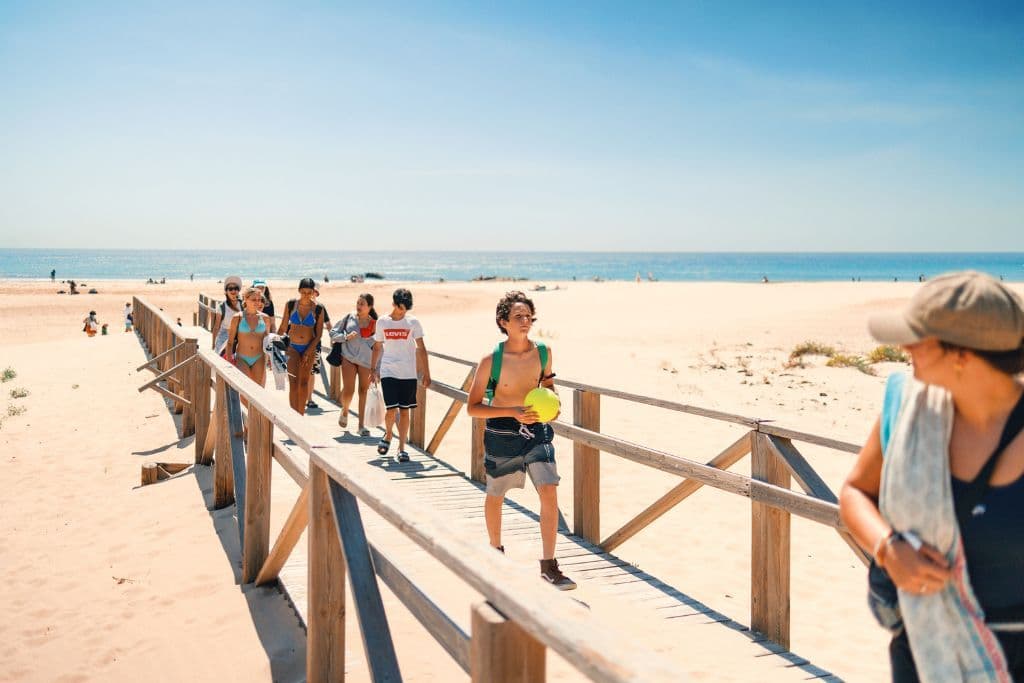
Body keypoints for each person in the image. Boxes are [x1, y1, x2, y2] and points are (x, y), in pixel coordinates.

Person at [839, 271, 1024, 681]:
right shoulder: (905, 407)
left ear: (962, 356)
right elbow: (854, 492)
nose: (904, 347)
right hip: (922, 653)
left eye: (917, 339)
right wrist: (887, 548)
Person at [464, 291, 576, 590]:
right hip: (501, 432)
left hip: (537, 430)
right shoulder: (491, 360)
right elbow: (473, 407)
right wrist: (511, 411)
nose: (525, 321)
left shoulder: (543, 352)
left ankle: (549, 566)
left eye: (528, 316)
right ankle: (495, 553)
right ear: (503, 322)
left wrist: (554, 406)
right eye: (518, 317)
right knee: (496, 493)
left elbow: (549, 386)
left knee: (549, 490)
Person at [370, 288, 430, 462]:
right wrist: (373, 369)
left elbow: (421, 348)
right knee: (391, 409)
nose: (403, 312)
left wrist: (427, 373)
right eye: (401, 308)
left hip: (408, 373)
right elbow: (377, 347)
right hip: (388, 371)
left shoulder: (413, 322)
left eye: (406, 309)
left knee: (404, 411)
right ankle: (388, 434)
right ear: (394, 304)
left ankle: (402, 447)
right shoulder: (382, 322)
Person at [277, 278, 325, 414]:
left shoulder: (318, 309)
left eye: (309, 292)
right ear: (299, 290)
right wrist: (273, 346)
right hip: (292, 347)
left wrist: (308, 352)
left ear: (313, 292)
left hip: (309, 348)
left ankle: (300, 415)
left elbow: (318, 335)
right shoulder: (291, 305)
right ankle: (293, 417)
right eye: (303, 292)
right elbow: (283, 327)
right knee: (293, 383)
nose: (306, 295)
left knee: (304, 383)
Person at [332, 293, 378, 435]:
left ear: (370, 307)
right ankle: (345, 410)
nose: (359, 306)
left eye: (362, 304)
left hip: (366, 361)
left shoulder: (375, 324)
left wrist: (377, 368)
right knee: (349, 390)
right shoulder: (349, 318)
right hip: (348, 357)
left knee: (363, 392)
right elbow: (333, 333)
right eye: (358, 303)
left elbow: (379, 347)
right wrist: (345, 337)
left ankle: (361, 425)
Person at [226, 287, 270, 387]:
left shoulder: (265, 318)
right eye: (254, 299)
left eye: (259, 299)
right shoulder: (237, 317)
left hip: (259, 358)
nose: (257, 302)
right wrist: (229, 362)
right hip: (242, 358)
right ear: (245, 299)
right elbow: (230, 342)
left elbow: (267, 342)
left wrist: (271, 359)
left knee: (257, 390)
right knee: (244, 390)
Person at [305, 285, 330, 411]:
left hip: (315, 344)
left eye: (315, 292)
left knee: (311, 372)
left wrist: (334, 339)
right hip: (298, 344)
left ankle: (309, 399)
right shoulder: (298, 305)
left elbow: (328, 324)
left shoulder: (320, 307)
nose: (312, 294)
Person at [211, 276, 243, 358]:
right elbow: (216, 327)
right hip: (224, 337)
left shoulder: (243, 305)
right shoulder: (222, 307)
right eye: (230, 289)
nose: (233, 291)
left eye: (236, 288)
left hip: (239, 337)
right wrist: (213, 343)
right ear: (226, 291)